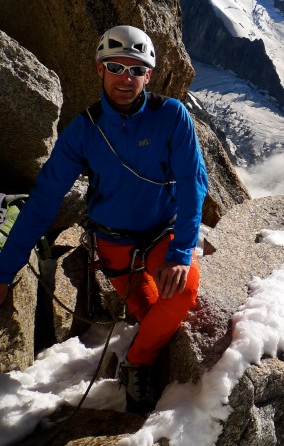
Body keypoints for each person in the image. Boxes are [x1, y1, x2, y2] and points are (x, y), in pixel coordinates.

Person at [0, 25, 208, 414]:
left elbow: (193, 183)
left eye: (135, 69)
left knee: (180, 294)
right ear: (100, 70)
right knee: (152, 315)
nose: (125, 79)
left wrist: (181, 253)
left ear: (149, 75)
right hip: (115, 246)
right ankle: (144, 356)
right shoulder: (84, 131)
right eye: (116, 67)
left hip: (163, 234)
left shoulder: (172, 116)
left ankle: (136, 362)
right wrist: (3, 271)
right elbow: (44, 200)